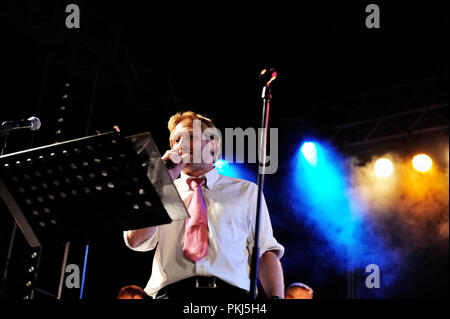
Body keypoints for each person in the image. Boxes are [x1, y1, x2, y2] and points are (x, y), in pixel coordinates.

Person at [123, 111, 285, 300]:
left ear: (212, 144)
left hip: (231, 297)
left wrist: (276, 298)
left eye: (190, 136)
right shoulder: (160, 189)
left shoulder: (246, 191)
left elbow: (265, 252)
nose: (181, 145)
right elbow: (136, 240)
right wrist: (161, 182)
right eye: (175, 140)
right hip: (170, 294)